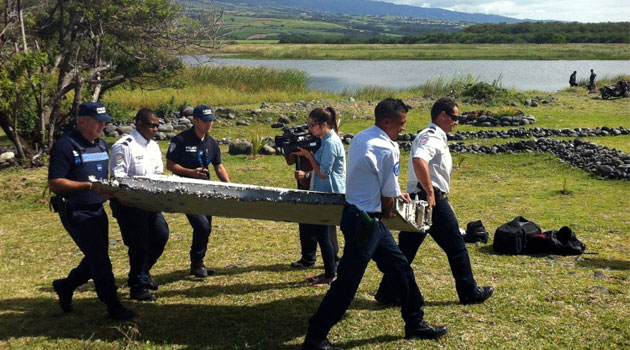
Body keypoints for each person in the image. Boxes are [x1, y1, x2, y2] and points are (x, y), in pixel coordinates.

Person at [302, 98, 447, 350]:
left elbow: (377, 180)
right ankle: (315, 337)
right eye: (401, 123)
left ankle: (415, 321)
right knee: (347, 282)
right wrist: (392, 206)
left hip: (358, 216)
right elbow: (388, 200)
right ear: (387, 121)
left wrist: (392, 194)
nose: (403, 128)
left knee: (401, 268)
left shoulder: (362, 137)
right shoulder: (387, 148)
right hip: (367, 222)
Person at [375, 97, 494, 307]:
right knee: (456, 246)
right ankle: (469, 292)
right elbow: (419, 160)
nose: (457, 122)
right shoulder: (430, 137)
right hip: (429, 199)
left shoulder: (437, 137)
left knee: (406, 249)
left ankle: (388, 292)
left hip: (428, 197)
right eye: (455, 117)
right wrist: (431, 193)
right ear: (442, 115)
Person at [48, 102, 134, 321]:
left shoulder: (101, 145)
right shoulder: (65, 146)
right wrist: (88, 187)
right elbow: (55, 183)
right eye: (98, 122)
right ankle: (113, 305)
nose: (102, 126)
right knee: (100, 260)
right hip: (76, 211)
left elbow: (102, 178)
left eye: (104, 122)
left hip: (97, 209)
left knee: (96, 257)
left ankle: (65, 285)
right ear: (82, 121)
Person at [109, 108, 170, 301]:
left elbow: (158, 174)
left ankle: (142, 273)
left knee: (161, 235)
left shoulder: (153, 146)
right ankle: (137, 286)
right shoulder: (124, 146)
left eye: (157, 125)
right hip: (130, 204)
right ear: (140, 124)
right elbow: (119, 179)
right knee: (139, 244)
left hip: (150, 203)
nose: (155, 129)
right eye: (152, 125)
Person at [166, 105, 231, 278]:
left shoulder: (212, 142)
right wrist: (190, 173)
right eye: (205, 121)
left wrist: (231, 186)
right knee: (201, 225)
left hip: (206, 190)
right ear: (195, 121)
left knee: (206, 227)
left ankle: (198, 263)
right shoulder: (180, 140)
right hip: (185, 191)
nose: (209, 124)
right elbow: (170, 165)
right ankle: (196, 263)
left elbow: (219, 166)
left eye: (211, 121)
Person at [291, 107, 345, 286]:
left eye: (312, 125)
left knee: (323, 234)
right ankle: (330, 271)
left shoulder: (331, 142)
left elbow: (323, 172)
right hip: (323, 191)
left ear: (324, 124)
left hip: (330, 192)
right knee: (322, 233)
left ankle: (331, 274)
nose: (310, 129)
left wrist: (308, 156)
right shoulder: (325, 139)